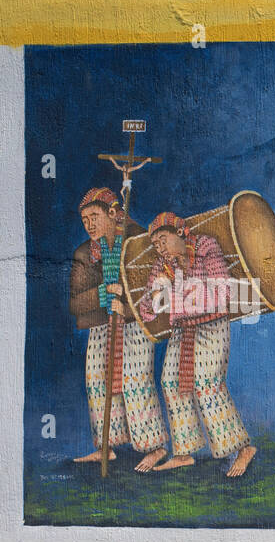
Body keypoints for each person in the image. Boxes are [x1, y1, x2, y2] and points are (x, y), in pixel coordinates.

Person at [136, 211, 257, 477]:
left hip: (211, 324)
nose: (160, 248)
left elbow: (223, 291)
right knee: (170, 382)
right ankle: (184, 452)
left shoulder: (205, 246)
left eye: (163, 240)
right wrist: (157, 294)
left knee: (207, 384)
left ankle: (242, 448)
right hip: (183, 329)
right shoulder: (162, 265)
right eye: (155, 245)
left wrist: (177, 293)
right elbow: (147, 310)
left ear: (180, 232)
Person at [68, 187, 169, 472]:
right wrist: (104, 293)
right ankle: (107, 446)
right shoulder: (85, 253)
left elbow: (156, 283)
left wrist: (124, 295)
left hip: (134, 320)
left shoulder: (139, 241)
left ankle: (155, 446)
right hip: (102, 323)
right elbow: (76, 302)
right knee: (97, 380)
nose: (89, 224)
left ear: (113, 214)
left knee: (135, 380)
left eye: (94, 216)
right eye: (84, 219)